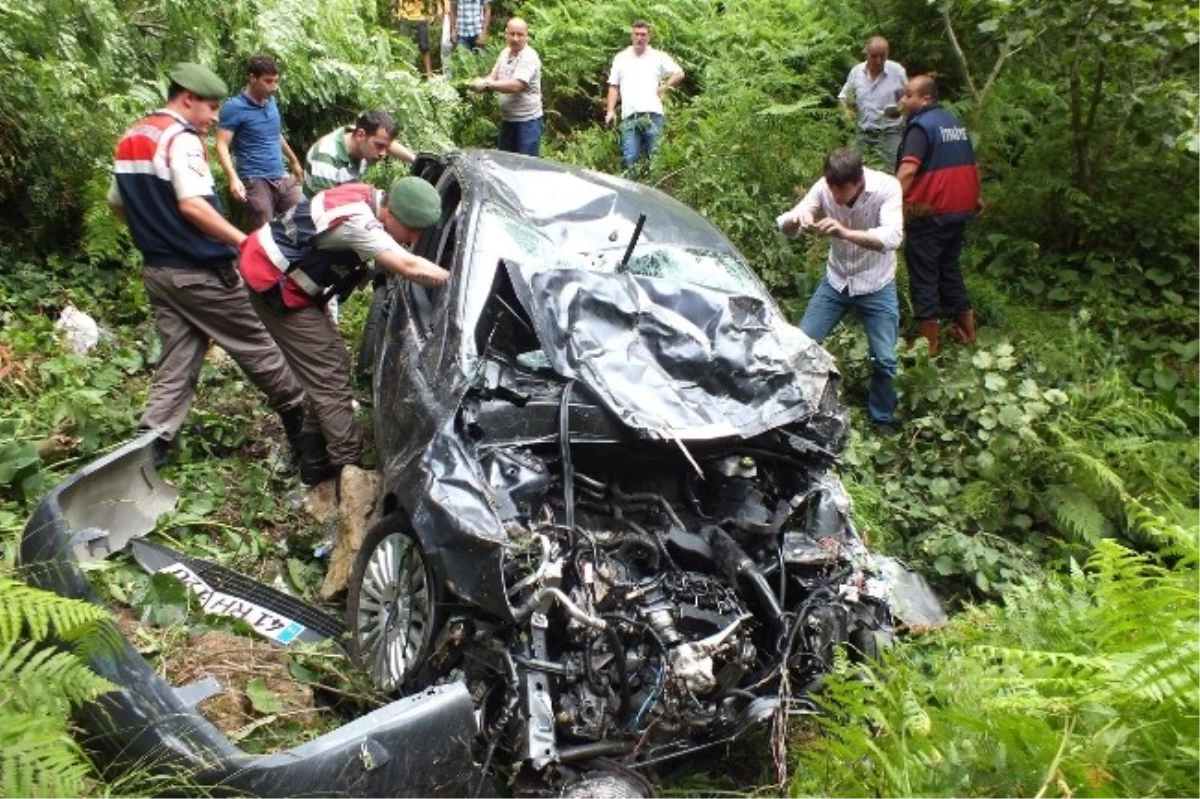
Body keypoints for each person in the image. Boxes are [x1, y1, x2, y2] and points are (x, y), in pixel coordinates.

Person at [107, 63, 307, 464]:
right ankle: (307, 434)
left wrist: (155, 231)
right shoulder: (181, 139)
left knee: (177, 359)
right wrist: (245, 242)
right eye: (211, 107)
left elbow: (116, 204)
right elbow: (194, 206)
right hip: (200, 272)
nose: (215, 117)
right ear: (187, 99)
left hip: (159, 273)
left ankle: (148, 451)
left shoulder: (133, 137)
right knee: (258, 345)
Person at [237, 177, 450, 484]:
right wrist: (456, 280)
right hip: (276, 285)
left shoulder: (364, 194)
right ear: (389, 213)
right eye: (411, 230)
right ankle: (346, 467)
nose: (414, 239)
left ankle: (313, 455)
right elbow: (408, 266)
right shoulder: (358, 222)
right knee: (331, 378)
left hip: (289, 278)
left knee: (330, 365)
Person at [776, 149, 904, 431]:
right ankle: (792, 408)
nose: (833, 195)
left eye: (840, 189)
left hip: (876, 281)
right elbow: (787, 223)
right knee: (803, 344)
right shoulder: (825, 187)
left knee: (884, 358)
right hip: (837, 280)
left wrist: (844, 233)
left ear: (858, 182)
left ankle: (882, 417)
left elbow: (893, 237)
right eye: (830, 187)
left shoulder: (886, 188)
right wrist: (797, 219)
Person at [895, 75, 982, 354]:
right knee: (950, 269)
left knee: (924, 274)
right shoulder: (954, 123)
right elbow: (971, 163)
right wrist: (974, 197)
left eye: (909, 95)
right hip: (958, 211)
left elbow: (908, 170)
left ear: (926, 99)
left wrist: (888, 203)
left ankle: (928, 346)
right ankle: (968, 332)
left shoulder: (920, 127)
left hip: (929, 212)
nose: (903, 100)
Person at [215, 54, 305, 229]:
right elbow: (221, 144)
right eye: (268, 81)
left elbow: (275, 134)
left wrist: (294, 160)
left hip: (280, 176)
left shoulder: (270, 102)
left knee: (303, 216)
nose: (274, 87)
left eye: (276, 81)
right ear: (252, 78)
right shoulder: (234, 108)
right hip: (255, 179)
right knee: (265, 231)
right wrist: (233, 178)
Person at [604, 19, 685, 172]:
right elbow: (613, 86)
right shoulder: (621, 58)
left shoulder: (658, 57)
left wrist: (664, 87)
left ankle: (654, 191)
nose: (639, 38)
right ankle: (632, 193)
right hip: (630, 116)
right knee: (630, 158)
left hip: (653, 115)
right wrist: (610, 110)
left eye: (643, 35)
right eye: (636, 34)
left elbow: (679, 73)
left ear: (649, 36)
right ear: (631, 35)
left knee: (656, 158)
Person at [470, 18, 544, 156]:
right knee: (505, 165)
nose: (515, 38)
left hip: (527, 122)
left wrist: (486, 85)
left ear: (526, 35)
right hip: (508, 120)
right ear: (506, 34)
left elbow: (517, 86)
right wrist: (474, 84)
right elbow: (494, 76)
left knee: (524, 167)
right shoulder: (505, 53)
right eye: (512, 34)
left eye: (520, 34)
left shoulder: (529, 57)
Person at [304, 110, 418, 197]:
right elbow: (325, 206)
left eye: (386, 147)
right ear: (360, 135)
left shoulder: (360, 136)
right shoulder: (326, 156)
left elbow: (387, 143)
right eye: (379, 146)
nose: (383, 153)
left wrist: (416, 160)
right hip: (314, 216)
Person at [838, 36, 908, 173]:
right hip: (863, 133)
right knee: (856, 172)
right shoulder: (856, 72)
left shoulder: (897, 71)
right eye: (874, 56)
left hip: (890, 132)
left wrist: (903, 104)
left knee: (890, 172)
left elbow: (909, 94)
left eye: (883, 56)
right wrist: (847, 111)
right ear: (866, 54)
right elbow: (843, 96)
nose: (878, 61)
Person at [397, 0, 439, 79]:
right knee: (404, 47)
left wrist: (431, 14)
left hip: (421, 18)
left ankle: (429, 75)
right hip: (405, 17)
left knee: (424, 47)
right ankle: (405, 75)